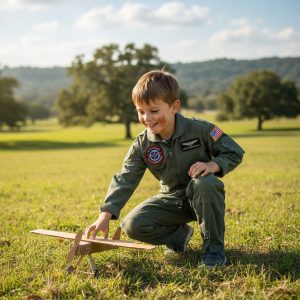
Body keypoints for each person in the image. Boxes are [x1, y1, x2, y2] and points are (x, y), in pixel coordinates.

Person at [85, 70, 245, 268]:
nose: (146, 118)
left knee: (205, 183)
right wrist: (105, 215)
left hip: (204, 196)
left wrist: (213, 165)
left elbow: (234, 151)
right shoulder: (142, 144)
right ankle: (180, 236)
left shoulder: (201, 129)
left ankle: (214, 253)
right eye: (140, 111)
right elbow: (125, 178)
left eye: (153, 111)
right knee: (132, 224)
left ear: (174, 106)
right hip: (171, 200)